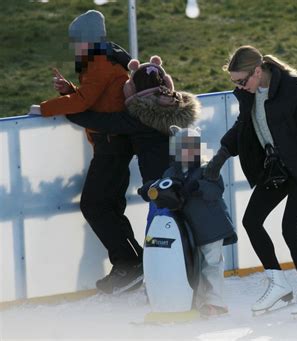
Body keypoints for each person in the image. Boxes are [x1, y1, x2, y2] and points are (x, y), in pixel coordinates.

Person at [203, 45, 297, 317]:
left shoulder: (293, 90)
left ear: (258, 71)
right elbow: (243, 127)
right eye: (234, 83)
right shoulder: (250, 95)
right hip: (276, 169)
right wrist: (221, 155)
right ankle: (277, 283)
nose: (240, 87)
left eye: (242, 81)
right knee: (251, 221)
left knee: (290, 229)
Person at [30, 10, 143, 294]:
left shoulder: (100, 62)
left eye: (77, 41)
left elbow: (84, 101)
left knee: (94, 205)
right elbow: (94, 96)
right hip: (113, 144)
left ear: (89, 40)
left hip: (112, 145)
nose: (74, 47)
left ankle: (130, 264)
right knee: (110, 206)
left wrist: (45, 108)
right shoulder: (103, 58)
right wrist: (69, 89)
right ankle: (131, 263)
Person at [139, 126, 237, 317]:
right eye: (182, 147)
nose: (186, 152)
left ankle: (216, 303)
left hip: (211, 227)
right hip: (188, 229)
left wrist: (198, 186)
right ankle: (197, 302)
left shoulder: (207, 168)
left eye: (191, 147)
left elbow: (216, 190)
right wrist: (148, 188)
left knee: (211, 265)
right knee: (195, 266)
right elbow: (162, 184)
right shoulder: (171, 172)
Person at [66, 55, 200, 184]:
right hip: (191, 177)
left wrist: (68, 109)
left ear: (132, 90)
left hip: (159, 183)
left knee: (162, 207)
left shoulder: (138, 117)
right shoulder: (180, 109)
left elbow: (102, 122)